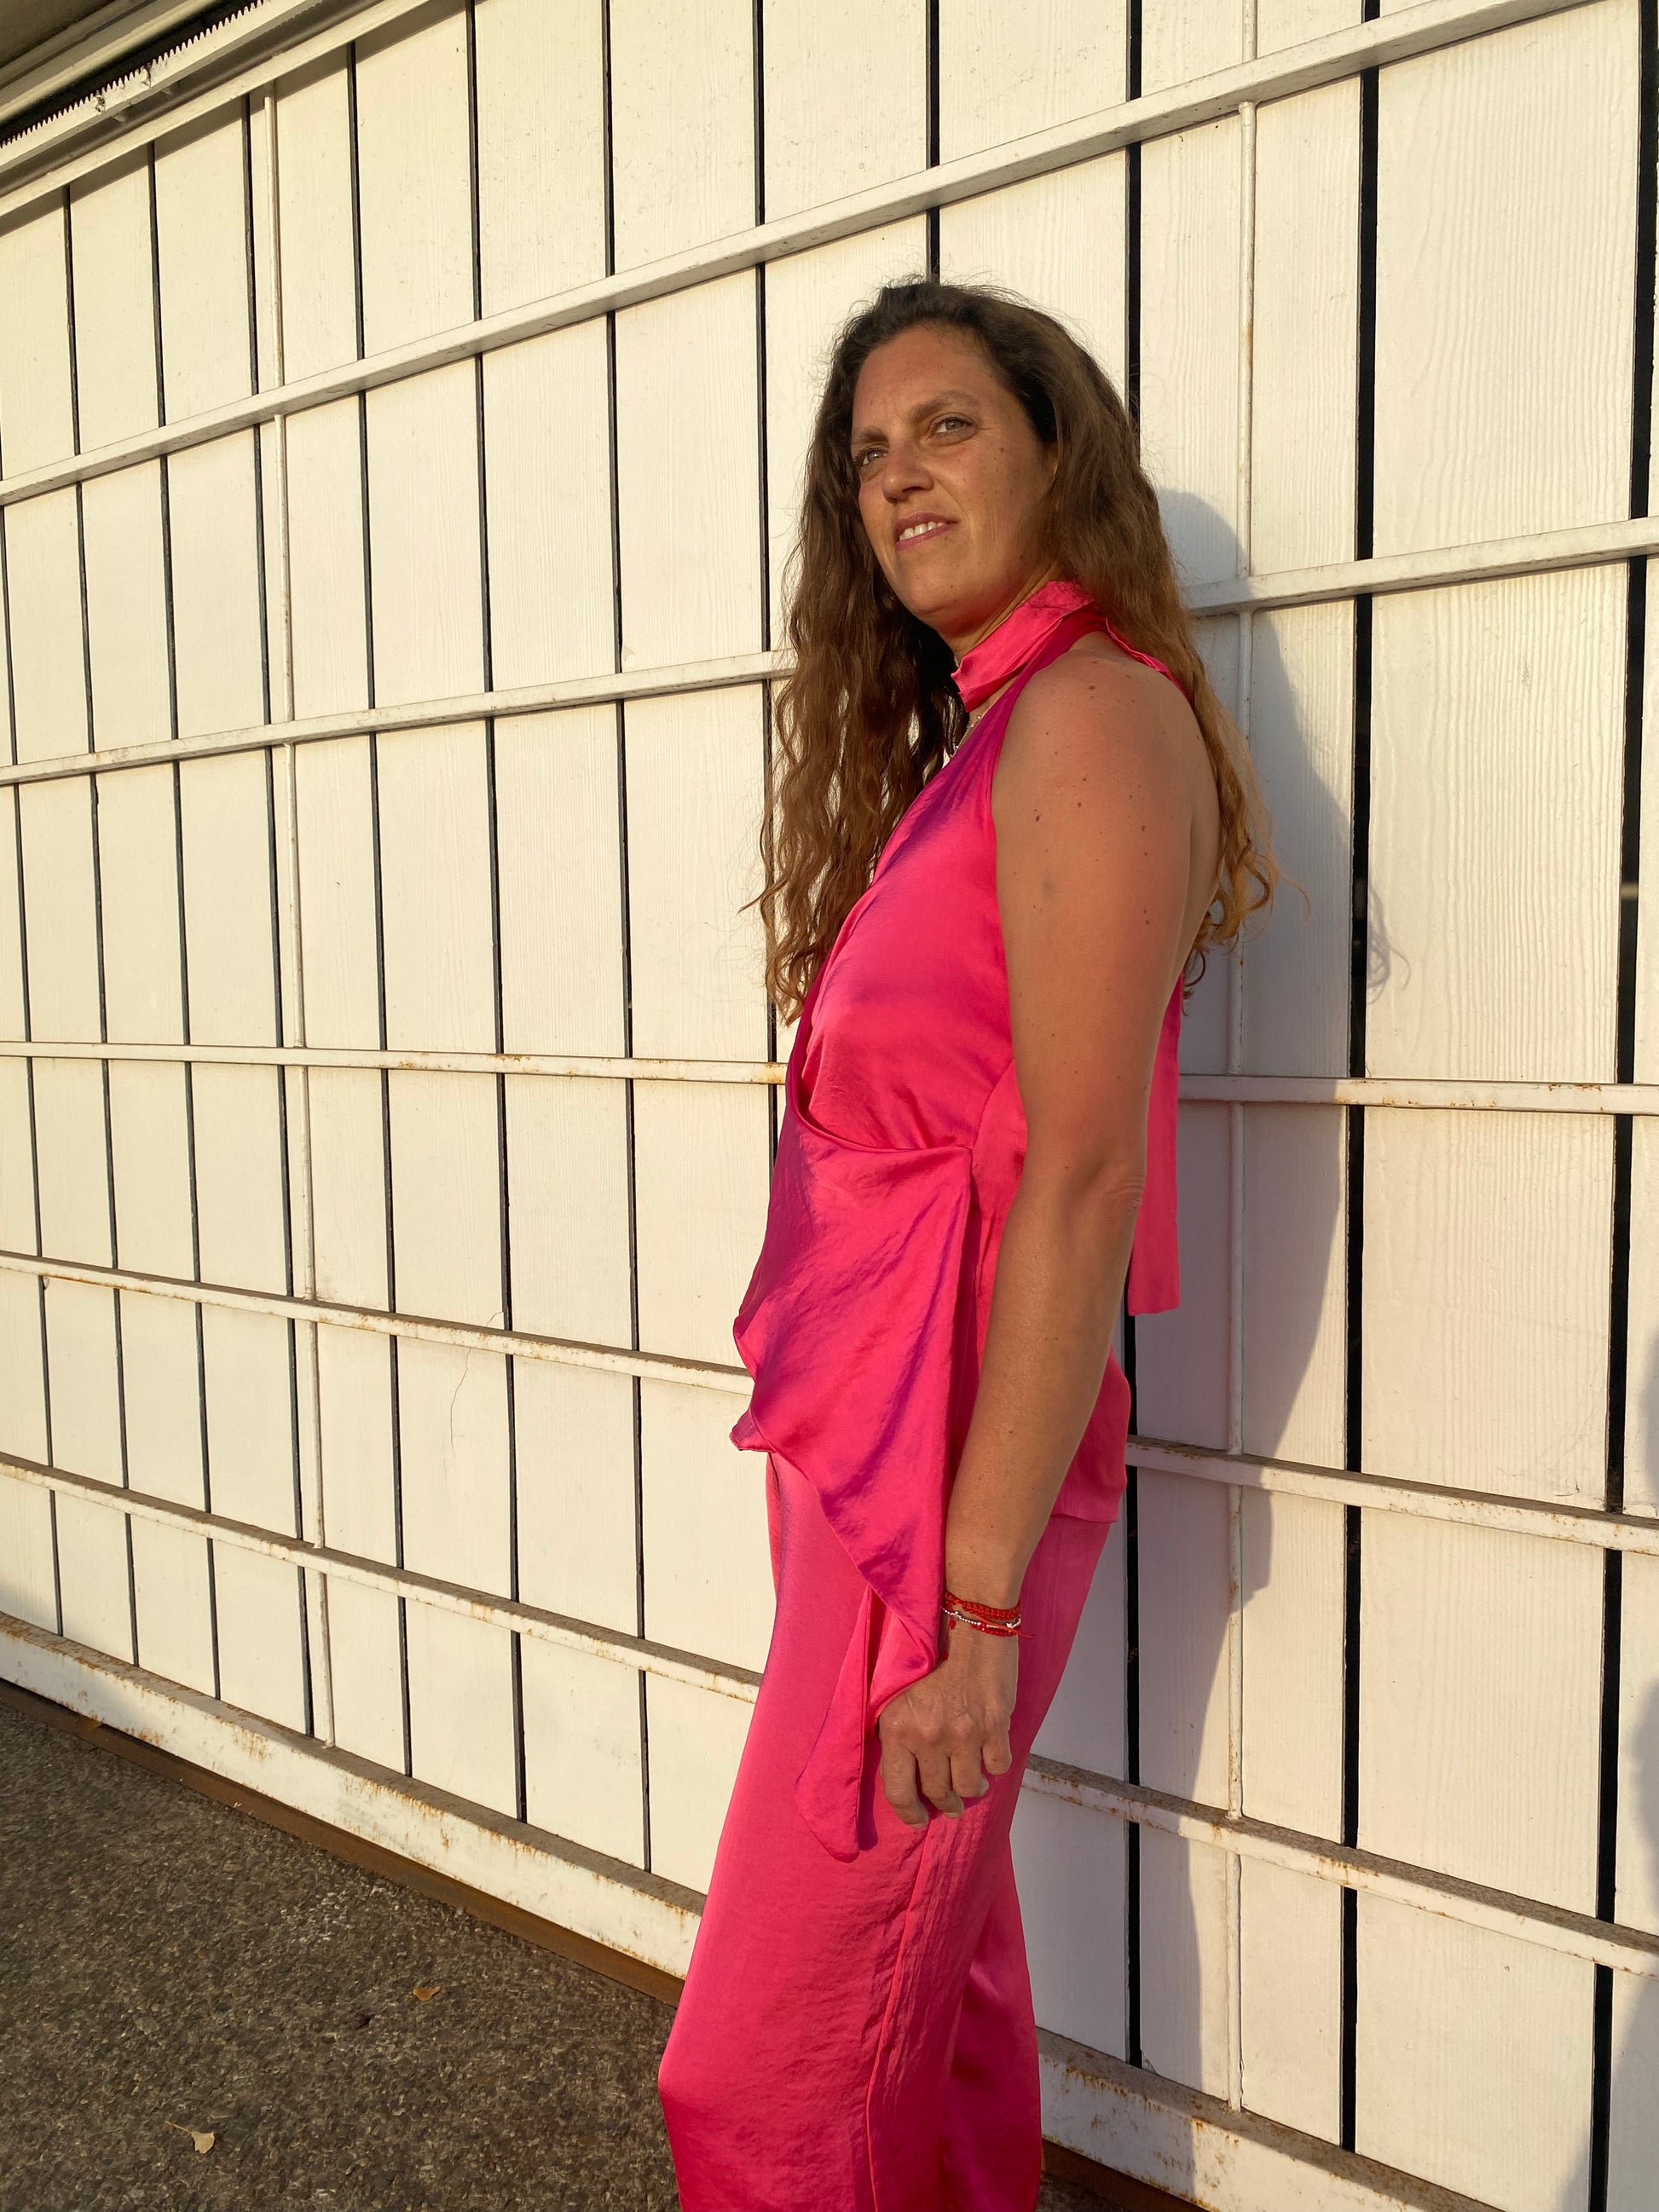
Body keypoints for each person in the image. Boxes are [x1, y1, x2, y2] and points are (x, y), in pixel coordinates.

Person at [656, 276, 1280, 2211]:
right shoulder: (998, 729)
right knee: (932, 1993)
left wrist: (974, 1610)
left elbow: (1079, 1178)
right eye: (866, 453)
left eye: (946, 426)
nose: (897, 475)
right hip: (883, 1467)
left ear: (1052, 450)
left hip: (945, 1499)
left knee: (764, 2073)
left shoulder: (1089, 715)